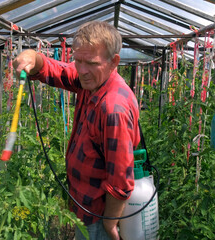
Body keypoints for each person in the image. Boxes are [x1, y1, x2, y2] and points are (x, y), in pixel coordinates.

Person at [13, 21, 140, 240]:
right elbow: (57, 71)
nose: (81, 70)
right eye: (78, 60)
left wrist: (110, 222)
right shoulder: (91, 81)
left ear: (114, 62)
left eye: (90, 63)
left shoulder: (113, 109)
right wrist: (33, 58)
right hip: (84, 206)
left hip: (98, 216)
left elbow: (120, 180)